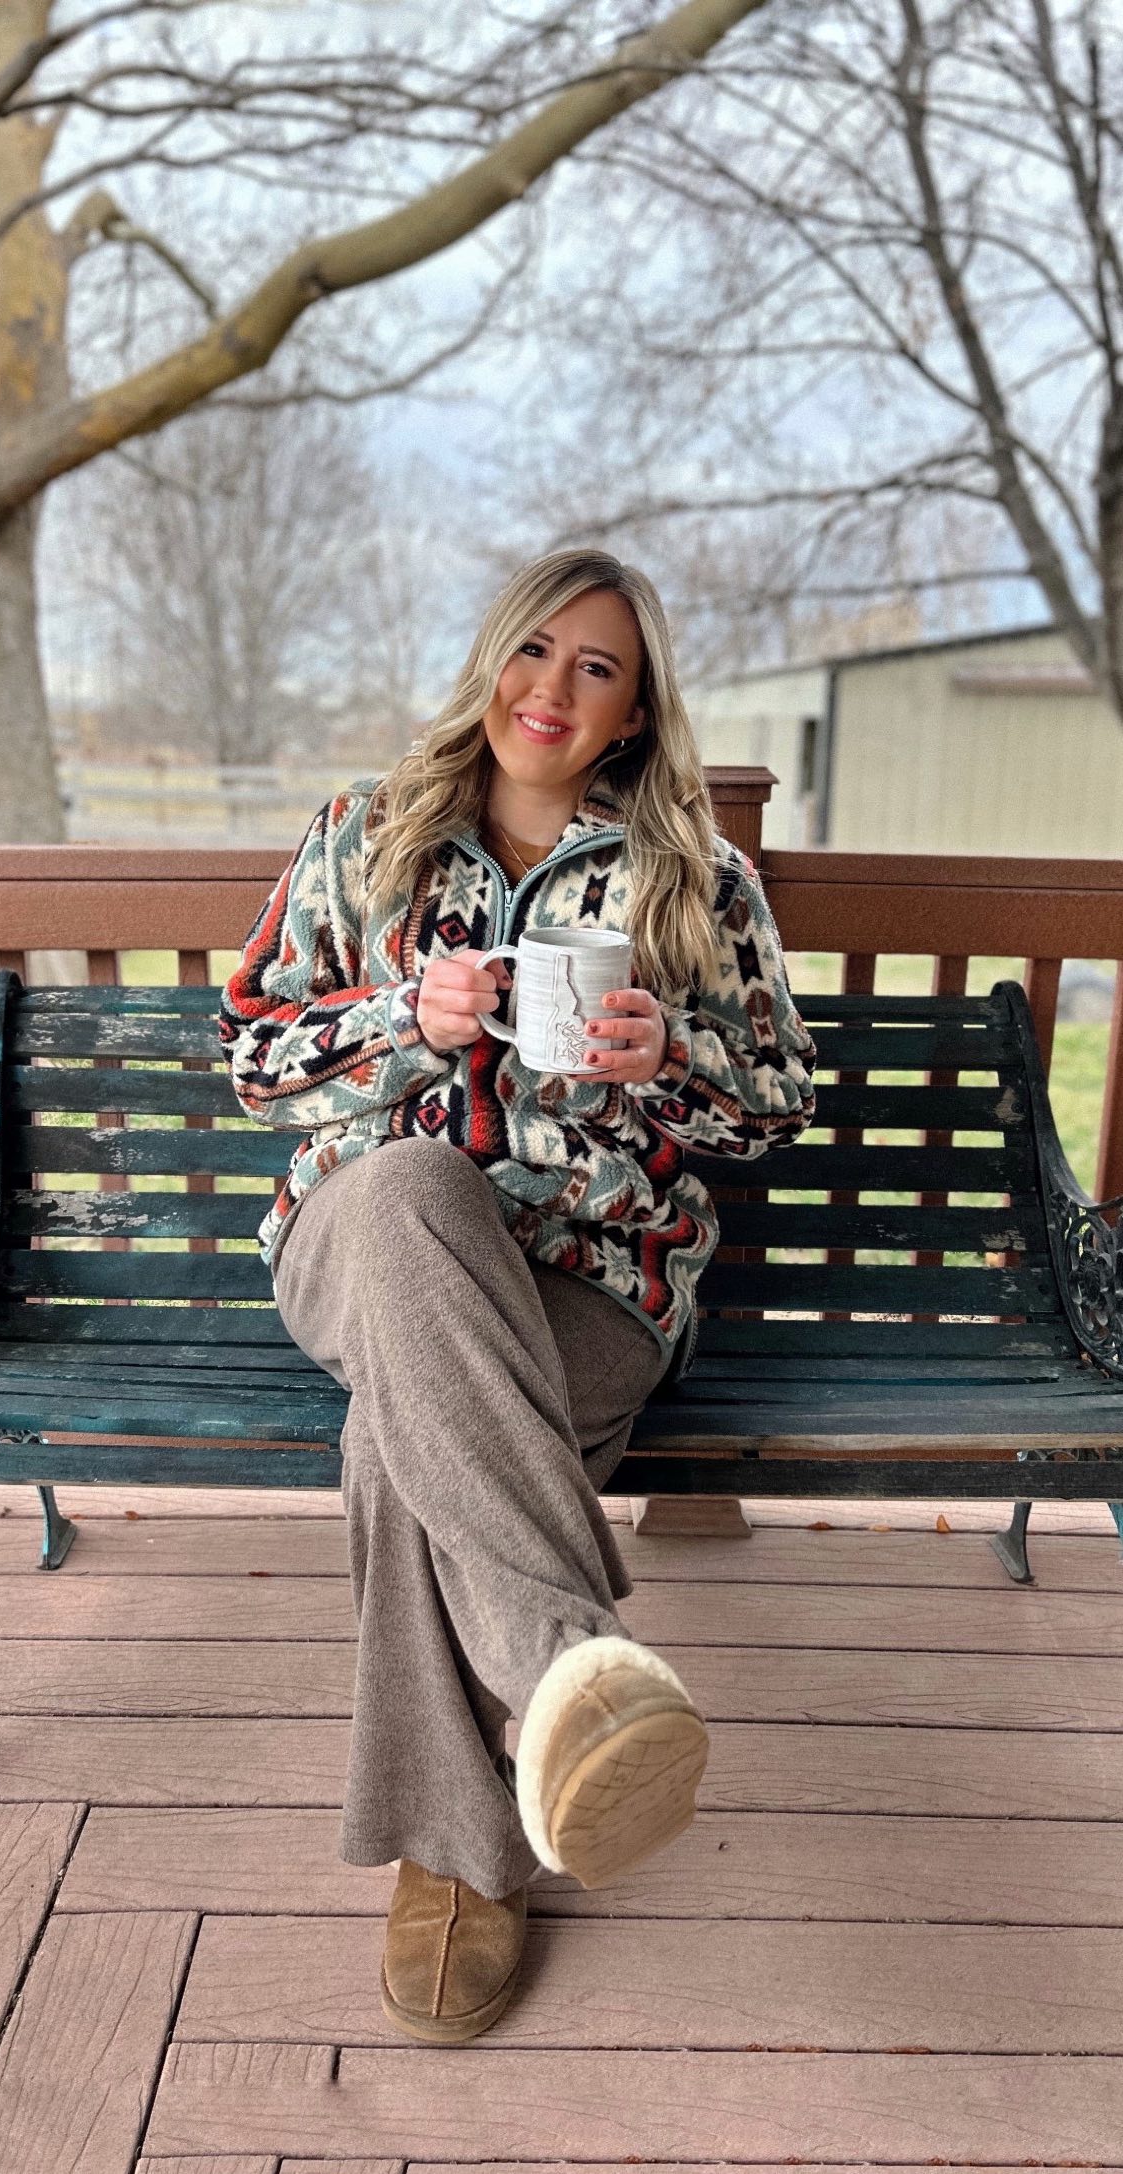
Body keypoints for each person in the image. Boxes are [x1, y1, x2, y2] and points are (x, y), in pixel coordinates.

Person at [219, 547, 817, 2045]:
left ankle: (463, 1857)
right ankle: (574, 1686)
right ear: (494, 657)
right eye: (535, 650)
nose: (553, 689)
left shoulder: (696, 876)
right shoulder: (367, 835)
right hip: (365, 1241)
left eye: (597, 668)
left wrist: (664, 1058)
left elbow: (777, 1103)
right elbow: (247, 1057)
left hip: (594, 1275)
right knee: (419, 1184)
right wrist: (398, 1020)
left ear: (631, 712)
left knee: (392, 1447)